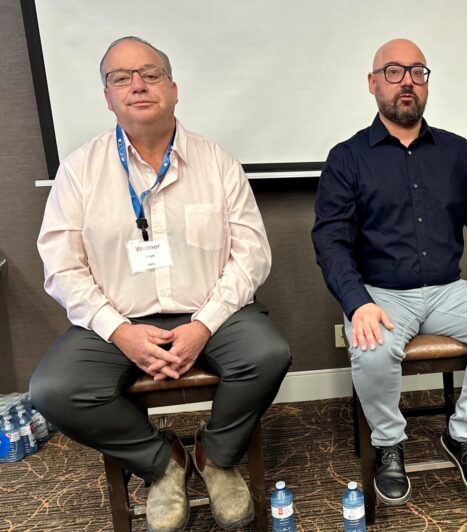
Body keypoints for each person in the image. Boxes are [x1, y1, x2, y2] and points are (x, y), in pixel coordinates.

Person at [30, 36, 291, 531]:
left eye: (150, 74)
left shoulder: (217, 162)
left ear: (174, 89)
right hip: (117, 317)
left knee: (269, 355)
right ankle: (161, 462)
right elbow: (61, 266)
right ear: (106, 96)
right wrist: (119, 330)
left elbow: (252, 255)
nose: (137, 86)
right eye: (120, 78)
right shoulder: (79, 170)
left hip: (212, 309)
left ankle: (216, 457)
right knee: (54, 389)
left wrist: (204, 324)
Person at [312, 38, 467, 507]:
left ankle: (463, 435)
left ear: (426, 83)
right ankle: (389, 443)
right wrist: (358, 303)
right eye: (394, 72)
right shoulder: (347, 157)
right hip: (381, 293)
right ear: (373, 84)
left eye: (417, 72)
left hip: (447, 290)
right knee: (371, 349)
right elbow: (330, 242)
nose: (407, 81)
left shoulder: (455, 151)